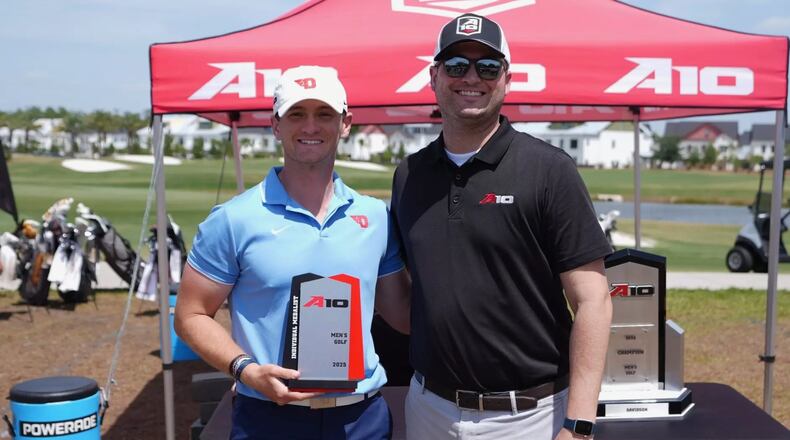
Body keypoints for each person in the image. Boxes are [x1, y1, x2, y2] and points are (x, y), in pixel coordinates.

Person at [389, 14, 613, 440]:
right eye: (456, 65)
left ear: (507, 80)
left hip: (529, 416)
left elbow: (593, 300)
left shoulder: (549, 170)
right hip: (429, 408)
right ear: (434, 77)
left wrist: (580, 423)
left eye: (488, 67)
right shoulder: (409, 175)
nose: (471, 77)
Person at [175, 65, 410, 440]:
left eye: (324, 114)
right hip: (269, 417)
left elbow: (404, 314)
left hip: (361, 418)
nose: (310, 126)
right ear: (275, 125)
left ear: (346, 124)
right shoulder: (234, 219)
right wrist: (245, 369)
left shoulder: (375, 217)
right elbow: (191, 314)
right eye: (296, 114)